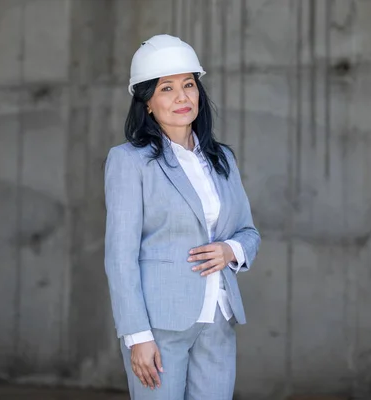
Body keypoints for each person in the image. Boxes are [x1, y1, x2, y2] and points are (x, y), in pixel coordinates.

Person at [104, 34, 261, 400]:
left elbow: (249, 232)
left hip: (218, 316)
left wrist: (230, 250)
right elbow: (120, 255)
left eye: (189, 85)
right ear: (147, 103)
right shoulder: (129, 161)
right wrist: (137, 336)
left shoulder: (222, 159)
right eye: (167, 88)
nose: (182, 97)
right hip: (160, 324)